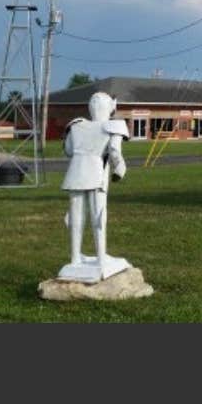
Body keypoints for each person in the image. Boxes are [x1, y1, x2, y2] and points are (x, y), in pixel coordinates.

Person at [58, 90, 130, 280]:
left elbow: (68, 150)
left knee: (76, 216)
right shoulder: (114, 126)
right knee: (98, 215)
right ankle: (100, 259)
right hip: (97, 172)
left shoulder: (76, 125)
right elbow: (115, 152)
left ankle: (75, 258)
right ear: (110, 108)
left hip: (76, 172)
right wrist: (120, 168)